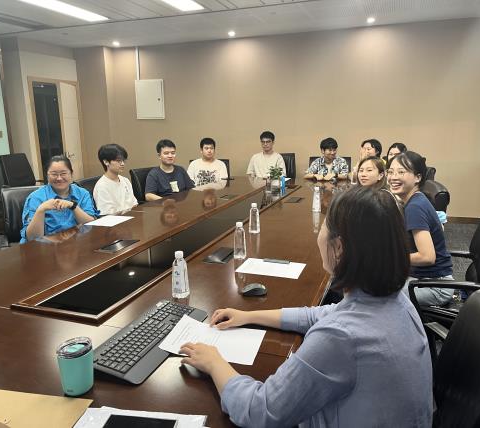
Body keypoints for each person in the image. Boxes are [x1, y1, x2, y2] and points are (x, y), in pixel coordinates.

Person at [179, 186, 433, 427]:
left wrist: (214, 362)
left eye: (323, 227)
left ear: (339, 247)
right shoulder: (397, 298)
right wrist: (249, 316)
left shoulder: (340, 337)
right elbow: (322, 314)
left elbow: (260, 411)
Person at [387, 151, 454, 306]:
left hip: (435, 286)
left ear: (417, 177)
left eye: (401, 172)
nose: (393, 177)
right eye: (391, 172)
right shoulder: (416, 199)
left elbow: (427, 257)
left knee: (377, 296)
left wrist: (391, 258)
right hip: (422, 278)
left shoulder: (415, 207)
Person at [20, 155, 98, 243]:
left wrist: (73, 206)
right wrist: (40, 210)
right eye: (54, 174)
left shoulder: (82, 193)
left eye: (63, 173)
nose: (59, 178)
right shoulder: (36, 197)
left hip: (74, 244)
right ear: (47, 176)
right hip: (43, 247)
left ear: (71, 174)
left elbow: (91, 225)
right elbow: (32, 238)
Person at [93, 144, 138, 215]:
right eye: (118, 161)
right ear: (106, 162)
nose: (122, 164)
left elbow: (134, 204)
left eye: (123, 160)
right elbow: (107, 214)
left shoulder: (125, 180)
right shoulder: (102, 186)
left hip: (131, 216)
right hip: (115, 220)